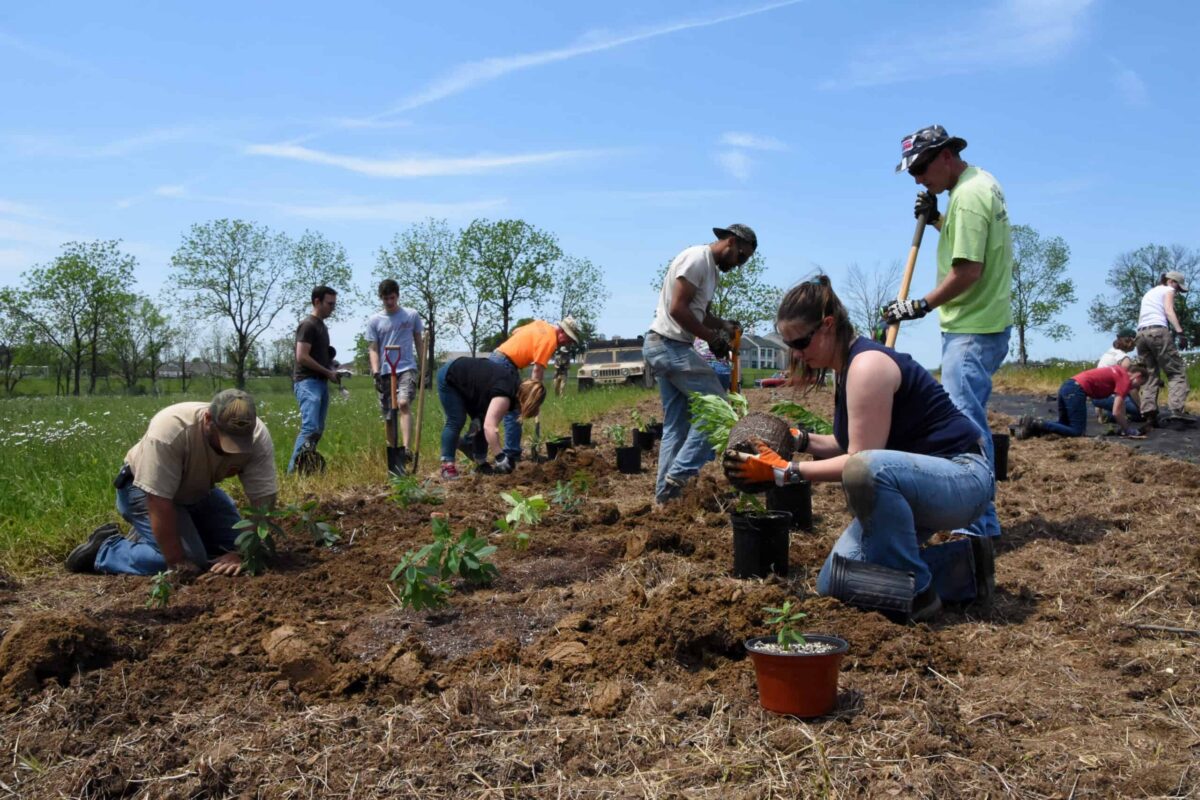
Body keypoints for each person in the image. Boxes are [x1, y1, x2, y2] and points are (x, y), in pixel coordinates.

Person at [725, 277, 994, 618]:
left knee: (865, 470)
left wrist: (786, 472)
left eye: (801, 342)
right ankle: (965, 567)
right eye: (789, 343)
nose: (796, 353)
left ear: (827, 325)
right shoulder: (846, 368)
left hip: (961, 478)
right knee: (833, 582)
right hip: (911, 486)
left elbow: (860, 461)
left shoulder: (867, 366)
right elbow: (850, 444)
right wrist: (798, 440)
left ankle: (920, 595)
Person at [884, 125, 1013, 542]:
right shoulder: (975, 185)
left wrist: (920, 304)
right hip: (976, 324)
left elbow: (968, 271)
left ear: (945, 155)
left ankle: (978, 525)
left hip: (973, 328)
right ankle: (977, 519)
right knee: (966, 421)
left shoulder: (971, 198)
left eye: (921, 168)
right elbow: (969, 247)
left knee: (967, 429)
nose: (919, 179)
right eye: (912, 174)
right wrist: (939, 218)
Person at [64, 389, 277, 577]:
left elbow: (264, 501)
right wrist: (178, 562)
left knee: (251, 549)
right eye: (225, 439)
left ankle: (155, 536)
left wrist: (241, 552)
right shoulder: (171, 430)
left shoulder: (257, 435)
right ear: (208, 419)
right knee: (192, 560)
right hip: (143, 492)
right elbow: (158, 501)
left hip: (198, 492)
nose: (232, 450)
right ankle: (107, 550)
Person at [644, 224, 755, 504]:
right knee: (716, 410)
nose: (740, 265)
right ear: (730, 242)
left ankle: (665, 500)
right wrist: (712, 338)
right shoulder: (696, 259)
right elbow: (676, 308)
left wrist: (723, 325)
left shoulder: (710, 271)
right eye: (741, 257)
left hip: (668, 347)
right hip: (668, 345)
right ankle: (679, 475)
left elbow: (699, 313)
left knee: (676, 425)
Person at [437, 357, 546, 479]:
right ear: (528, 400)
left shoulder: (514, 389)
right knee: (456, 419)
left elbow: (485, 424)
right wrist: (500, 456)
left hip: (471, 382)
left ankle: (480, 461)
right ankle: (447, 465)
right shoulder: (505, 395)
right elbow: (490, 427)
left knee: (481, 420)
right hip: (451, 375)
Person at [490, 317, 581, 462]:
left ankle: (474, 443)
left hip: (498, 358)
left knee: (493, 408)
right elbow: (537, 371)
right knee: (514, 410)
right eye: (569, 339)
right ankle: (512, 454)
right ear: (562, 332)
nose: (568, 343)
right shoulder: (549, 341)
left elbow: (516, 331)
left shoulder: (541, 324)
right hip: (505, 364)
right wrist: (535, 400)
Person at [366, 279, 425, 470]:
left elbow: (418, 340)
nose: (389, 302)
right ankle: (394, 451)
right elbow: (373, 348)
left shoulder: (411, 315)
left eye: (392, 298)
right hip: (385, 370)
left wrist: (424, 366)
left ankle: (406, 449)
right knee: (389, 414)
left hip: (406, 367)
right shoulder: (375, 320)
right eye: (385, 299)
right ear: (381, 298)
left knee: (403, 403)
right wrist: (375, 372)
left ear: (397, 295)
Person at [1014, 363, 1149, 439]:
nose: (1138, 387)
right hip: (1076, 390)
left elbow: (1121, 408)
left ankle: (1029, 429)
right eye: (1141, 383)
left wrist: (1123, 426)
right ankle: (1035, 422)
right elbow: (1116, 411)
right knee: (1077, 431)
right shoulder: (1125, 380)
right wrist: (1128, 430)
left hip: (1068, 385)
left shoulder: (1118, 370)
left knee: (1063, 426)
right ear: (1138, 376)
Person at [288, 285, 340, 473]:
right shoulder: (308, 325)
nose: (332, 308)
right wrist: (327, 373)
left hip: (320, 382)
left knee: (317, 430)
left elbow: (317, 356)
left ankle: (305, 469)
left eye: (334, 304)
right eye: (329, 304)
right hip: (307, 382)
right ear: (317, 301)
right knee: (310, 428)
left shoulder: (321, 326)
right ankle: (293, 473)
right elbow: (301, 356)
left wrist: (331, 366)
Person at [1134, 271, 1191, 425]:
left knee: (1149, 374)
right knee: (1176, 371)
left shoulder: (1150, 292)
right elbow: (1168, 310)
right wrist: (1180, 332)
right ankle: (1176, 410)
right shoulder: (1168, 290)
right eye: (1178, 288)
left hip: (1140, 334)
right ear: (1171, 281)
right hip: (1158, 331)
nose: (1177, 292)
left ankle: (1148, 413)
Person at [1093, 331, 1142, 423]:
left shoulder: (1109, 353)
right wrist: (1141, 408)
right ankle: (1113, 415)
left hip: (1097, 397)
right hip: (1108, 397)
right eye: (1135, 343)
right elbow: (1130, 388)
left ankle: (1109, 414)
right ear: (1130, 342)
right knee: (1138, 413)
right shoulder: (1124, 358)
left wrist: (1098, 412)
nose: (1135, 346)